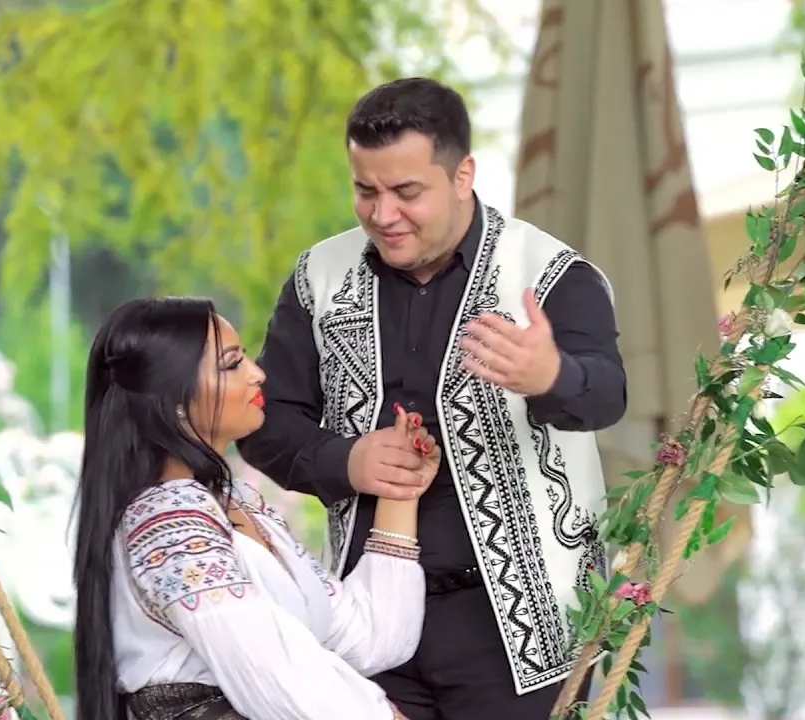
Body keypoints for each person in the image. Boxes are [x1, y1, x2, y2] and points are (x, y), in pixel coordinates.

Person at [236, 77, 628, 719]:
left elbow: (607, 395)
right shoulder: (318, 277)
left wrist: (550, 375)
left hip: (523, 636)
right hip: (367, 622)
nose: (382, 214)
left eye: (406, 192)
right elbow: (264, 421)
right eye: (366, 191)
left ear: (462, 175)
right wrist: (345, 460)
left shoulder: (551, 273)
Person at [71, 296, 443, 720]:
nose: (258, 374)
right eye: (232, 365)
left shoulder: (237, 505)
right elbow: (272, 675)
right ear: (173, 397)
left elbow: (371, 637)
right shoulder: (169, 522)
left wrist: (400, 487)